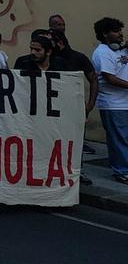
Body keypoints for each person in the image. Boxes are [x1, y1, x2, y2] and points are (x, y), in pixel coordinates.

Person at [91, 17, 128, 184]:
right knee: (119, 139)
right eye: (116, 31)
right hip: (113, 104)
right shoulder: (102, 53)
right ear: (105, 34)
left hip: (124, 102)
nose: (120, 34)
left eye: (120, 30)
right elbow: (109, 78)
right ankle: (121, 171)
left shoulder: (120, 50)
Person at [48, 29, 98, 115]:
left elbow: (93, 80)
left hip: (74, 106)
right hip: (51, 107)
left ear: (59, 43)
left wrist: (90, 105)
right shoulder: (47, 59)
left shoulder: (79, 57)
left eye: (49, 43)